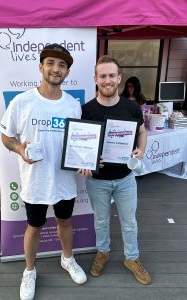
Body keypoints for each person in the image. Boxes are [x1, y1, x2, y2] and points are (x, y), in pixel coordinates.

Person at [0, 43, 91, 300]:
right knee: (34, 227)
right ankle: (29, 271)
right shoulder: (22, 101)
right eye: (50, 63)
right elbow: (7, 136)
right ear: (41, 67)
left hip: (64, 181)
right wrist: (19, 149)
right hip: (35, 182)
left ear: (67, 72)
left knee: (65, 222)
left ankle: (67, 259)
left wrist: (85, 159)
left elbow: (80, 142)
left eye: (62, 65)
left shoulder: (73, 105)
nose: (56, 68)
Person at [81, 55, 151, 285]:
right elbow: (80, 145)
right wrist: (87, 161)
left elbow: (142, 133)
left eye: (112, 75)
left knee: (129, 222)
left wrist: (140, 151)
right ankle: (103, 252)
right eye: (103, 76)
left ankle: (131, 258)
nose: (108, 80)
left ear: (119, 78)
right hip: (97, 181)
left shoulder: (131, 108)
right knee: (101, 221)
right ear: (95, 79)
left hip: (125, 179)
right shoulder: (86, 110)